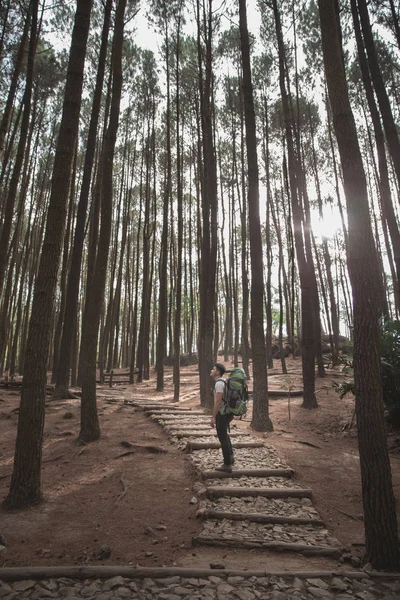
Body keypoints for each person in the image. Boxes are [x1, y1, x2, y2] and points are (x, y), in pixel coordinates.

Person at [210, 362, 234, 473]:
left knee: (222, 436)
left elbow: (218, 401)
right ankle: (231, 456)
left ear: (218, 372)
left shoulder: (219, 383)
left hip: (223, 413)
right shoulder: (225, 381)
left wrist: (213, 417)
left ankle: (227, 464)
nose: (211, 370)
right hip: (228, 412)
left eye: (213, 369)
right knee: (224, 434)